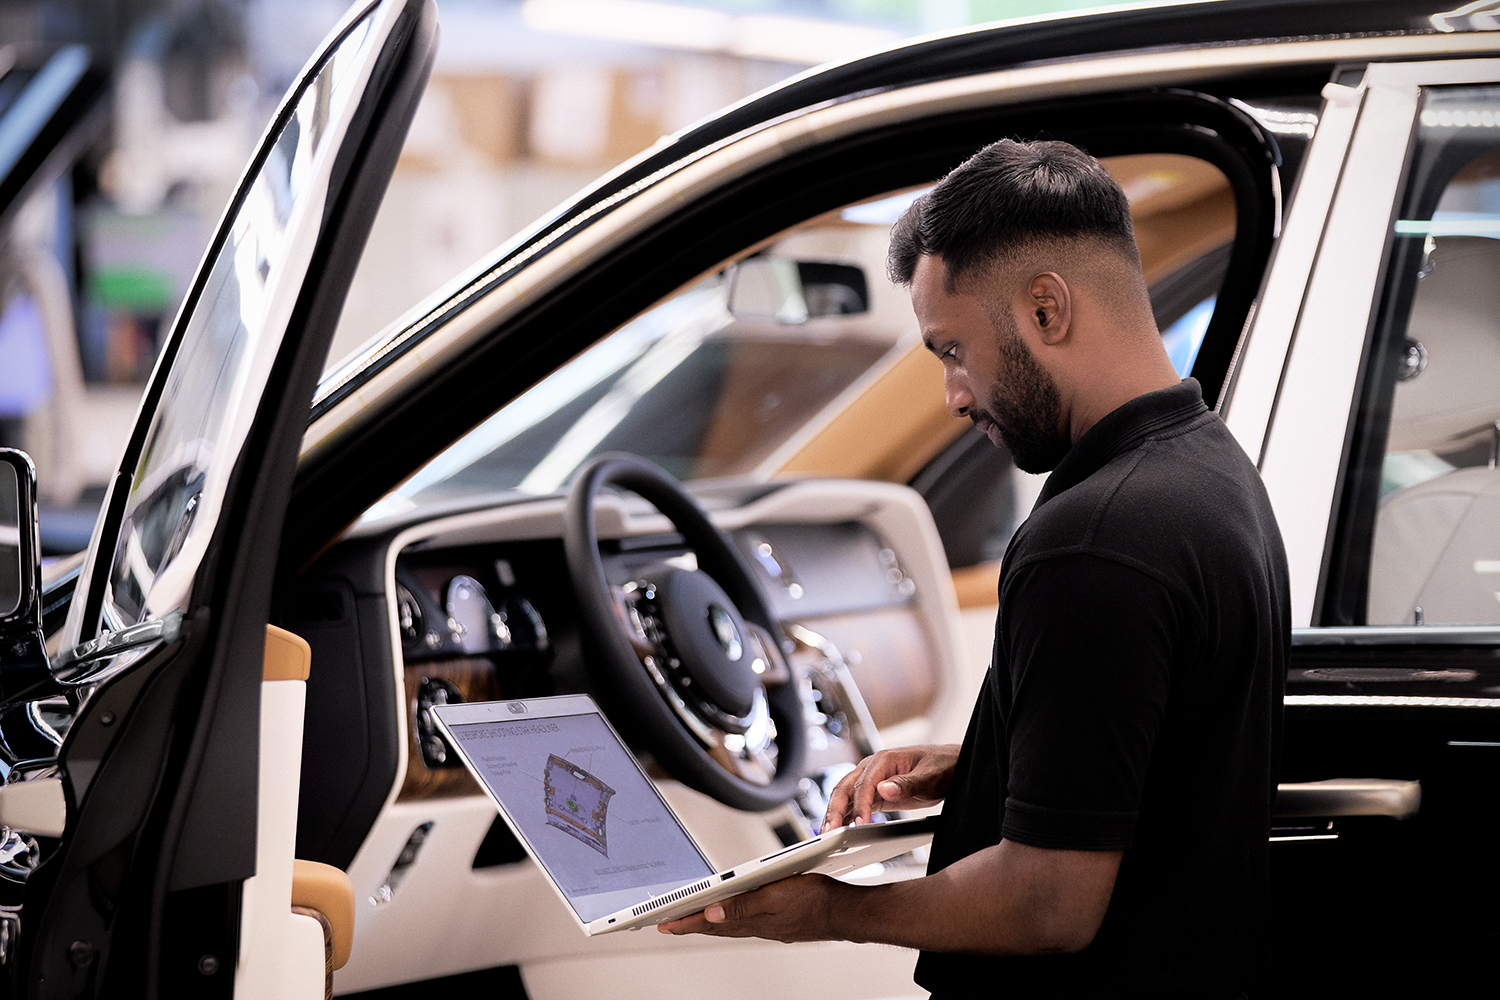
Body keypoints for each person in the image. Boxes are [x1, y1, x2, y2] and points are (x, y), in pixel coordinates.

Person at [658, 138, 1289, 998]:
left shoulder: (1094, 541)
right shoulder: (1208, 470)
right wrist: (993, 758)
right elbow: (1170, 743)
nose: (955, 396)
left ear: (1046, 308)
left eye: (953, 350)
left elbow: (1046, 907)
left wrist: (830, 910)